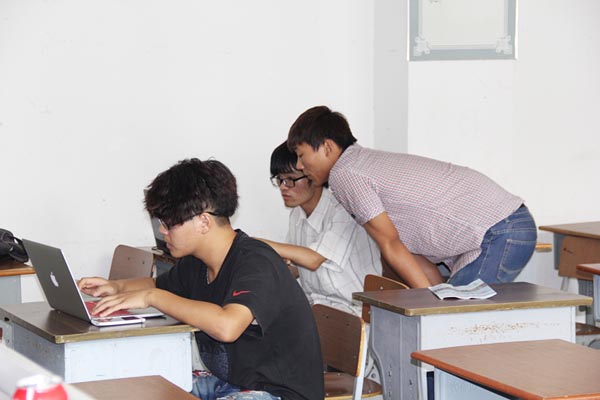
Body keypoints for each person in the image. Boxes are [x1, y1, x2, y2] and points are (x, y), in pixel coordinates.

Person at [78, 158, 324, 400]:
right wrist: (116, 287)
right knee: (138, 390)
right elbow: (155, 285)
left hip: (279, 393)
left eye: (169, 223)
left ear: (204, 221)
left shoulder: (256, 262)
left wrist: (152, 297)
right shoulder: (197, 262)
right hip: (230, 384)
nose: (162, 231)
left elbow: (227, 326)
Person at [286, 106, 537, 289]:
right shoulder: (360, 164)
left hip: (499, 230)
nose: (299, 165)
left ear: (327, 147)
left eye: (301, 154)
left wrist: (430, 307)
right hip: (498, 227)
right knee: (448, 321)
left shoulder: (346, 174)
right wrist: (433, 298)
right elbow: (404, 251)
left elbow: (391, 244)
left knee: (454, 323)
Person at [259, 141, 382, 316]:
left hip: (355, 312)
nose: (283, 187)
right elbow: (295, 265)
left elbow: (313, 259)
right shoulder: (297, 214)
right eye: (279, 179)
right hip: (320, 309)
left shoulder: (342, 209)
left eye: (290, 179)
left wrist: (259, 244)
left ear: (313, 176)